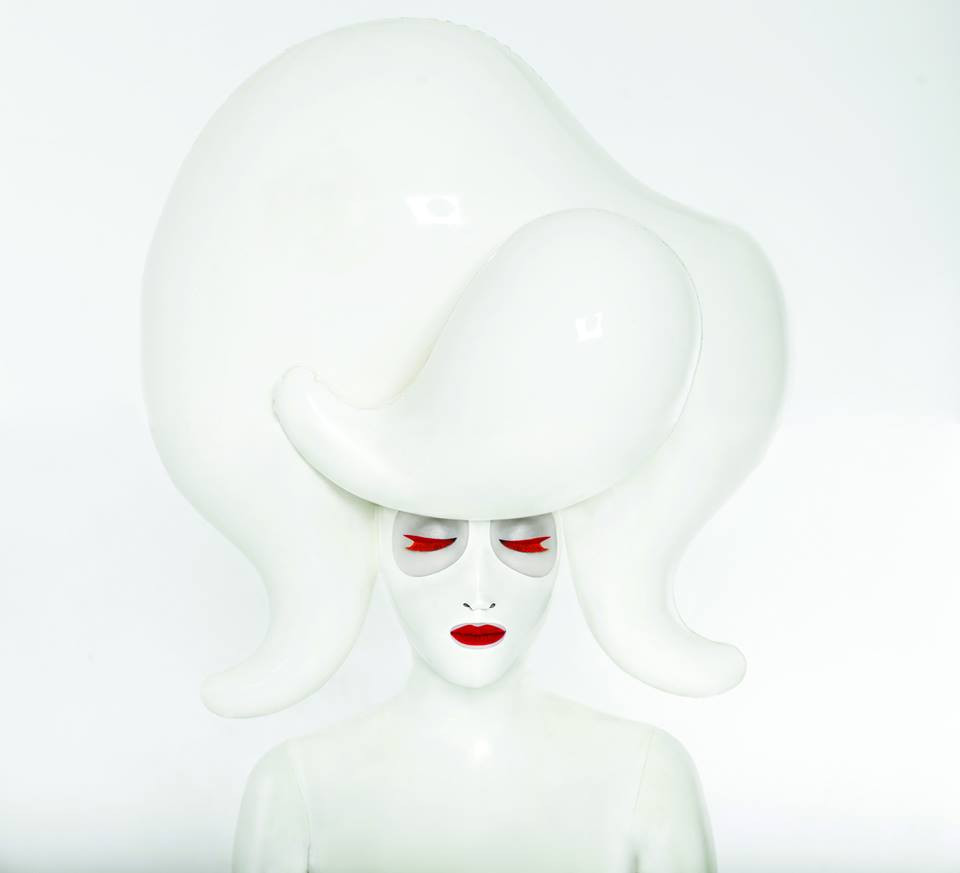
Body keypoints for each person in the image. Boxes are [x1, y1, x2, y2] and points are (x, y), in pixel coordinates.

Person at [142, 19, 785, 872]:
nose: (479, 591)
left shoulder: (647, 781)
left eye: (525, 541)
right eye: (428, 541)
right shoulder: (294, 791)